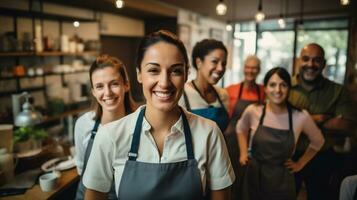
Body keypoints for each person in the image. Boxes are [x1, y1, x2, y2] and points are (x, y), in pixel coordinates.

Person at [83, 30, 235, 200]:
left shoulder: (209, 133)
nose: (164, 83)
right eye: (154, 70)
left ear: (186, 74)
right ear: (139, 74)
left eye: (175, 71)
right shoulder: (110, 135)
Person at [237, 67, 324, 200]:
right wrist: (243, 153)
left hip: (282, 180)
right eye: (272, 85)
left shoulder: (300, 116)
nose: (277, 90)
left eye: (283, 85)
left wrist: (300, 163)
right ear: (265, 88)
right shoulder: (253, 110)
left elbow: (318, 141)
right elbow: (240, 128)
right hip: (254, 175)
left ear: (289, 89)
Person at [289, 43, 356, 200]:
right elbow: (276, 122)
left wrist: (299, 122)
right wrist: (319, 119)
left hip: (323, 158)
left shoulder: (338, 91)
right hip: (288, 157)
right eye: (306, 59)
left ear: (324, 64)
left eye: (317, 60)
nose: (310, 65)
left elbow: (347, 125)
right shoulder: (283, 87)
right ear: (299, 61)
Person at [74, 54, 136, 200]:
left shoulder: (140, 125)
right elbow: (82, 168)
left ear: (126, 85)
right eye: (99, 86)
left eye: (114, 83)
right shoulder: (84, 124)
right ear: (93, 91)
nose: (107, 93)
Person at [225, 55, 265, 199]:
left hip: (256, 142)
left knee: (252, 182)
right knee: (234, 179)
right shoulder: (230, 90)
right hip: (233, 142)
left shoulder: (264, 91)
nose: (250, 70)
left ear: (259, 70)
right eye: (248, 67)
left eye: (254, 68)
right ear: (243, 68)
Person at [179, 39, 229, 132]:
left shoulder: (222, 94)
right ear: (199, 62)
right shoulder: (181, 94)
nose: (220, 68)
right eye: (215, 61)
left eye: (224, 63)